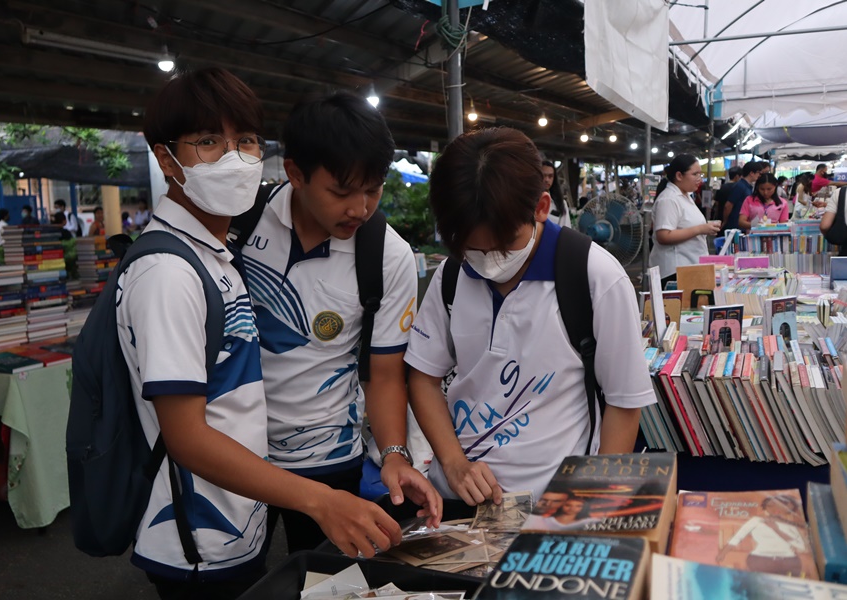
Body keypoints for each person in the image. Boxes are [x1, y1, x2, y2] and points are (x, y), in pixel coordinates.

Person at [119, 67, 403, 598]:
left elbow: (383, 374)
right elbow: (186, 436)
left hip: (258, 497)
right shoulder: (175, 269)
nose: (233, 160)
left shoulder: (215, 254)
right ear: (166, 159)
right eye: (208, 142)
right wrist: (320, 501)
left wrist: (391, 454)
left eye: (246, 140)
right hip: (203, 522)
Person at [404, 128, 655, 506]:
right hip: (461, 501)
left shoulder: (595, 277)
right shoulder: (452, 275)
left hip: (555, 503)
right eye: (472, 248)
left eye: (504, 245)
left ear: (541, 207)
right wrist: (454, 464)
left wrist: (592, 502)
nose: (488, 261)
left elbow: (623, 402)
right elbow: (423, 376)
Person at [237, 91, 440, 554]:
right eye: (341, 192)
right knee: (236, 580)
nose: (360, 208)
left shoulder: (387, 255)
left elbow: (384, 374)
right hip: (235, 451)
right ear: (295, 173)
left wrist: (394, 455)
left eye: (373, 189)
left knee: (325, 577)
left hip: (327, 456)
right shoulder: (241, 223)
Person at [648, 154, 720, 289]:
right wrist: (700, 229)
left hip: (688, 267)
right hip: (675, 272)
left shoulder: (685, 195)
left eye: (700, 174)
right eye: (695, 174)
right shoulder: (669, 199)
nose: (699, 178)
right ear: (679, 176)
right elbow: (664, 236)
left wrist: (706, 227)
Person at [716, 494, 809, 576]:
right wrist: (723, 553)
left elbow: (801, 546)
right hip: (760, 560)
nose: (776, 509)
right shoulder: (756, 521)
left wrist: (776, 530)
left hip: (788, 561)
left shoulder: (791, 526)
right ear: (765, 507)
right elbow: (738, 537)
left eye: (783, 507)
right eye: (771, 506)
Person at [722, 161, 763, 232]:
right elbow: (728, 205)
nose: (759, 175)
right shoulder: (740, 186)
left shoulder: (747, 187)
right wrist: (725, 221)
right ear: (751, 173)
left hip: (741, 224)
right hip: (735, 224)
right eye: (758, 173)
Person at [536, 495, 602, 531]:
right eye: (568, 505)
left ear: (584, 507)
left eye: (578, 506)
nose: (572, 508)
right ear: (561, 506)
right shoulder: (545, 520)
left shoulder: (590, 522)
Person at [542, 159, 571, 227]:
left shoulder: (560, 203)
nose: (547, 180)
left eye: (550, 176)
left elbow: (565, 228)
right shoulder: (529, 201)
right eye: (543, 176)